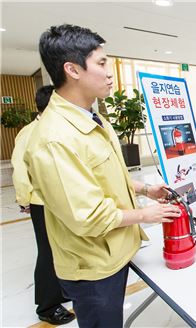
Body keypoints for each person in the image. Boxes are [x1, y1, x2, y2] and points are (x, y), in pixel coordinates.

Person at [25, 24, 181, 327]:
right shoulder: (55, 138)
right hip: (92, 266)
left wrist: (146, 189)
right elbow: (88, 216)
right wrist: (146, 215)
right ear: (72, 69)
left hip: (113, 252)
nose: (110, 72)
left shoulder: (93, 118)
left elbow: (107, 177)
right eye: (101, 63)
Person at [11, 85, 76, 325]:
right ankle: (47, 306)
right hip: (43, 202)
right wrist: (24, 199)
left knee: (65, 246)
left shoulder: (57, 127)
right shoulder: (31, 132)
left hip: (62, 200)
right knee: (48, 251)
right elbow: (19, 169)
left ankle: (63, 289)